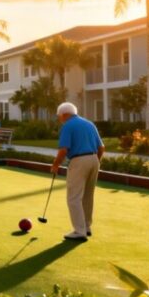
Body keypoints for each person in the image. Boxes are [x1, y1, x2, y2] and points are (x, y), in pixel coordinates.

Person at [51, 102, 104, 242]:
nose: (59, 119)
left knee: (73, 197)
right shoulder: (89, 124)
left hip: (79, 160)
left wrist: (55, 165)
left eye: (59, 116)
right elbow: (101, 147)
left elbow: (63, 150)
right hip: (94, 159)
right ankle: (86, 227)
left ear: (64, 114)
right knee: (88, 195)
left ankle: (79, 231)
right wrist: (95, 161)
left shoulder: (67, 125)